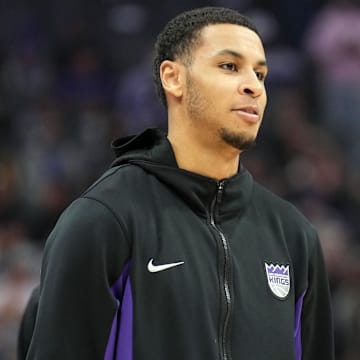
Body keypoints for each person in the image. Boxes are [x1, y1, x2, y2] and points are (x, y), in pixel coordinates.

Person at [19, 6, 334, 360]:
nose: (253, 86)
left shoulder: (294, 236)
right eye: (229, 66)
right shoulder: (105, 220)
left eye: (260, 74)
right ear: (173, 78)